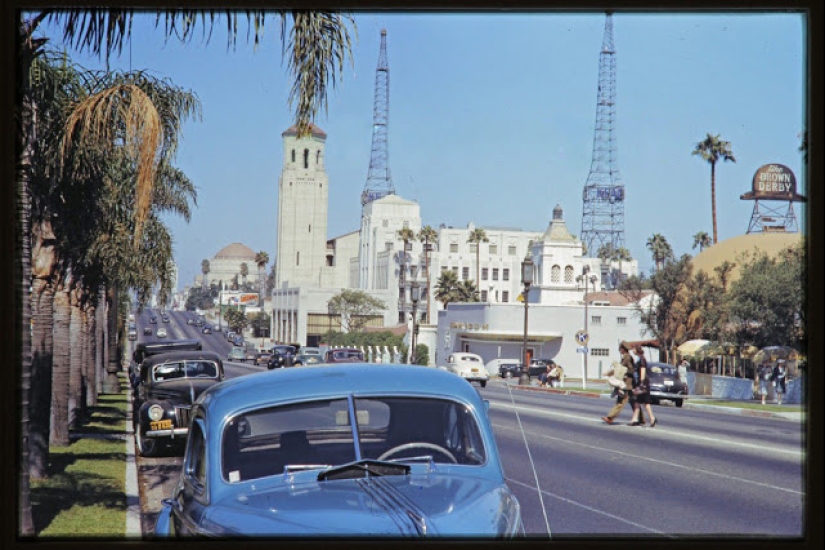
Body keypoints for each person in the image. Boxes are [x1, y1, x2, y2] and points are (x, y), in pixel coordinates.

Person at [601, 343, 635, 425]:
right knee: (634, 402)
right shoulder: (625, 357)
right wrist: (609, 373)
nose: (619, 350)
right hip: (625, 383)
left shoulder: (627, 358)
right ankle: (640, 418)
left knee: (621, 401)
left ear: (623, 349)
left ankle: (610, 417)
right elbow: (619, 369)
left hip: (626, 383)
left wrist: (626, 374)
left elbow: (631, 370)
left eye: (620, 348)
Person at [629, 345, 657, 427]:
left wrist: (641, 383)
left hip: (643, 384)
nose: (632, 350)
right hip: (641, 383)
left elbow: (643, 371)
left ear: (636, 350)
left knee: (645, 403)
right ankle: (635, 419)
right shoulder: (639, 358)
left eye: (633, 349)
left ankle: (651, 418)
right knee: (638, 402)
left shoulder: (641, 359)